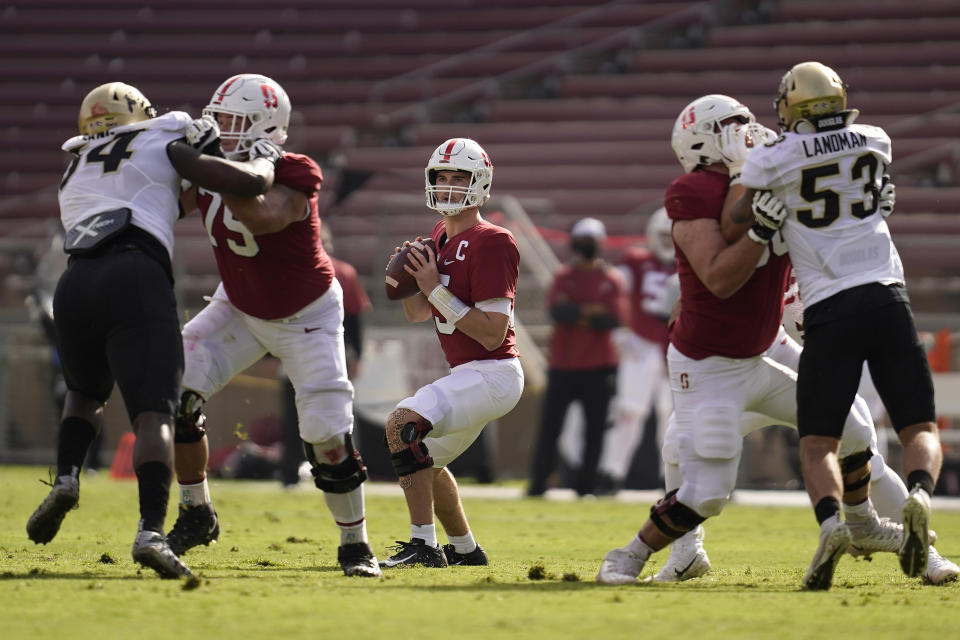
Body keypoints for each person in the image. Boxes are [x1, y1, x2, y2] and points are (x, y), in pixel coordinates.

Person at [596, 94, 904, 590]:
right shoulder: (693, 189)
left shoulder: (776, 176)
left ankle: (880, 531)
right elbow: (719, 278)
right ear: (703, 139)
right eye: (735, 123)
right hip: (710, 366)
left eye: (749, 120)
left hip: (761, 351)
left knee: (853, 428)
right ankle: (628, 556)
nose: (751, 129)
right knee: (709, 492)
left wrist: (865, 209)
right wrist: (761, 228)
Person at [25, 81, 276, 581]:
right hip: (135, 273)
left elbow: (159, 199)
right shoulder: (165, 132)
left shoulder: (75, 164)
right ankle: (149, 531)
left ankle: (69, 477)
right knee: (153, 413)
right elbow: (235, 182)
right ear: (140, 114)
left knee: (83, 393)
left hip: (74, 282)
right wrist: (265, 162)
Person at [732, 61, 945, 584]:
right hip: (888, 298)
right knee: (919, 426)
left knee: (818, 444)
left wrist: (759, 183)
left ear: (791, 106)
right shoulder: (875, 139)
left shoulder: (775, 156)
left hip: (828, 306)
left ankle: (832, 524)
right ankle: (918, 495)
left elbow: (739, 215)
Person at [166, 74, 381, 577]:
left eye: (231, 122)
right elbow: (165, 207)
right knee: (175, 389)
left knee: (327, 435)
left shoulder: (295, 170)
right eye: (216, 119)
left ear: (265, 127)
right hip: (239, 305)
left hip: (305, 316)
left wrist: (214, 167)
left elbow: (261, 215)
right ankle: (196, 512)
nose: (220, 129)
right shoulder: (214, 169)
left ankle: (356, 544)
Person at [379, 138, 523, 568]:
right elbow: (418, 313)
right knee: (427, 463)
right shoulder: (440, 234)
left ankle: (423, 545)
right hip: (470, 371)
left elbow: (493, 334)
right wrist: (410, 283)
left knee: (403, 423)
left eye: (459, 177)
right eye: (441, 177)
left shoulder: (493, 241)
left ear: (480, 183)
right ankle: (465, 550)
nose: (448, 186)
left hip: (494, 371)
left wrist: (434, 288)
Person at [527, 217, 627, 497]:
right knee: (550, 428)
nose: (586, 246)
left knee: (595, 431)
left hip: (599, 367)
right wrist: (591, 312)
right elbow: (559, 313)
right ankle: (538, 483)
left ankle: (586, 487)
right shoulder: (563, 276)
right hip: (563, 365)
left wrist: (577, 313)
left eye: (590, 240)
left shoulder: (611, 278)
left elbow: (612, 319)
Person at [279, 224, 373, 487]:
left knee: (298, 414)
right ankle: (346, 468)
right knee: (338, 414)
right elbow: (356, 321)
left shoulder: (296, 271)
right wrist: (357, 356)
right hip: (326, 353)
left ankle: (291, 474)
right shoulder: (341, 271)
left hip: (302, 350)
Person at [596, 207, 677, 492]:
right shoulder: (635, 260)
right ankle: (611, 473)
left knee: (671, 416)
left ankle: (670, 479)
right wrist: (620, 331)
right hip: (640, 343)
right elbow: (614, 292)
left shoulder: (686, 264)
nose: (667, 242)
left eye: (671, 236)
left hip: (673, 346)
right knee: (628, 412)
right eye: (662, 236)